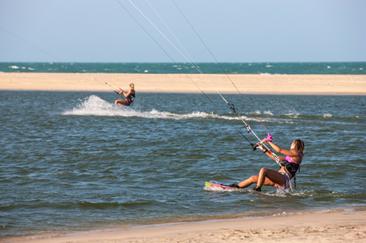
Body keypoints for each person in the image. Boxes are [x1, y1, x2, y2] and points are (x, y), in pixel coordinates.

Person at [231, 134, 305, 191]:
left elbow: (279, 150)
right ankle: (236, 187)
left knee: (264, 170)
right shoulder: (290, 157)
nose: (291, 144)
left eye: (292, 143)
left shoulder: (297, 154)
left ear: (296, 145)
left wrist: (268, 141)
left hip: (283, 179)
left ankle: (258, 189)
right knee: (253, 178)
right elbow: (274, 157)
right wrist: (263, 149)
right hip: (278, 179)